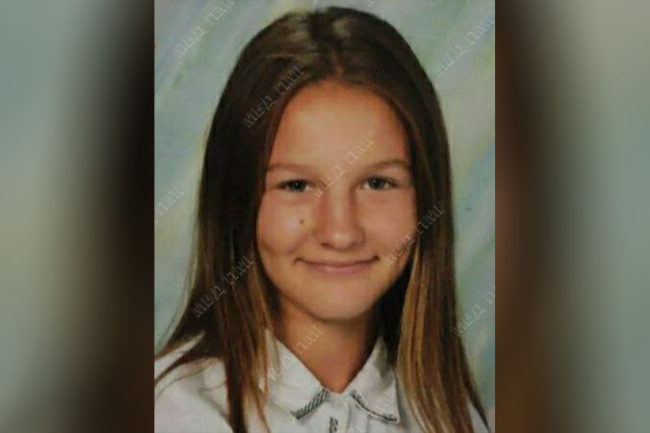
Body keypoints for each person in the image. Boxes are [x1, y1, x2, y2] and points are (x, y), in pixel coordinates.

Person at [155, 7, 488, 432]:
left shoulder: (450, 416)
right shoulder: (171, 415)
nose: (340, 232)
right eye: (297, 185)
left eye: (377, 183)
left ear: (424, 198)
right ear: (236, 200)